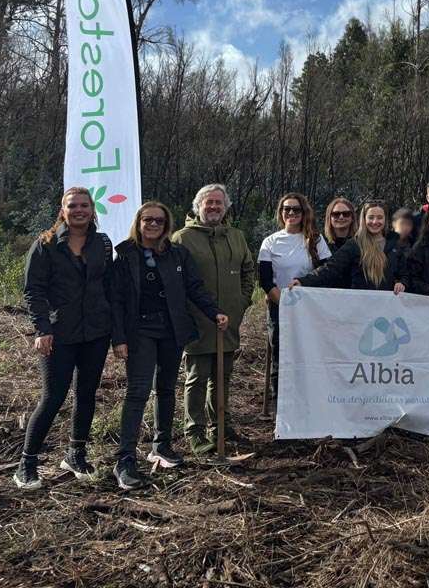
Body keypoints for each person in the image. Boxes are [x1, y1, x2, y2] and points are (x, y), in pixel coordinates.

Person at [112, 201, 229, 490]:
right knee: (138, 392)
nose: (153, 225)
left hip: (171, 330)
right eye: (148, 220)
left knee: (166, 389)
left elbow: (194, 288)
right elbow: (114, 300)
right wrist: (119, 339)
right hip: (139, 331)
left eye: (159, 221)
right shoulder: (125, 255)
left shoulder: (177, 254)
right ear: (139, 223)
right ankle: (125, 459)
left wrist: (214, 312)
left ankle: (161, 446)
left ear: (167, 226)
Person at [14, 188, 122, 489]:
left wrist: (117, 334)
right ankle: (27, 463)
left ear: (92, 209)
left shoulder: (102, 243)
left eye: (84, 205)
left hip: (96, 333)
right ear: (62, 210)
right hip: (59, 334)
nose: (79, 210)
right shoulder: (45, 244)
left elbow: (110, 289)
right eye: (72, 205)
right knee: (53, 397)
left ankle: (76, 453)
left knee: (86, 394)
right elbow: (33, 291)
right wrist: (43, 329)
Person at [172, 184, 256, 455]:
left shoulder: (236, 236)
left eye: (219, 203)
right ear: (198, 206)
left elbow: (248, 270)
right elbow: (176, 280)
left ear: (226, 207)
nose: (214, 207)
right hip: (197, 320)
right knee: (197, 376)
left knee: (223, 375)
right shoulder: (183, 238)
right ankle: (194, 431)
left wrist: (241, 302)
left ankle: (220, 425)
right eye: (209, 203)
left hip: (229, 318)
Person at [258, 193, 331, 408]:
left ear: (303, 212)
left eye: (296, 209)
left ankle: (308, 406)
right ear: (280, 213)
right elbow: (264, 279)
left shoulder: (316, 240)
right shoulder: (270, 242)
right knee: (281, 358)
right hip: (279, 308)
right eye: (286, 209)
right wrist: (283, 304)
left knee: (309, 356)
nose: (291, 213)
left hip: (310, 310)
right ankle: (282, 408)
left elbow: (326, 271)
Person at [296, 201, 407, 292]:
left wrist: (402, 282)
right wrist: (303, 281)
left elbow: (405, 271)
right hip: (360, 306)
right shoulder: (354, 244)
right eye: (371, 217)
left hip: (388, 306)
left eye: (379, 217)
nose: (375, 221)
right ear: (364, 219)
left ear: (385, 219)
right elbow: (331, 268)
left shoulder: (396, 243)